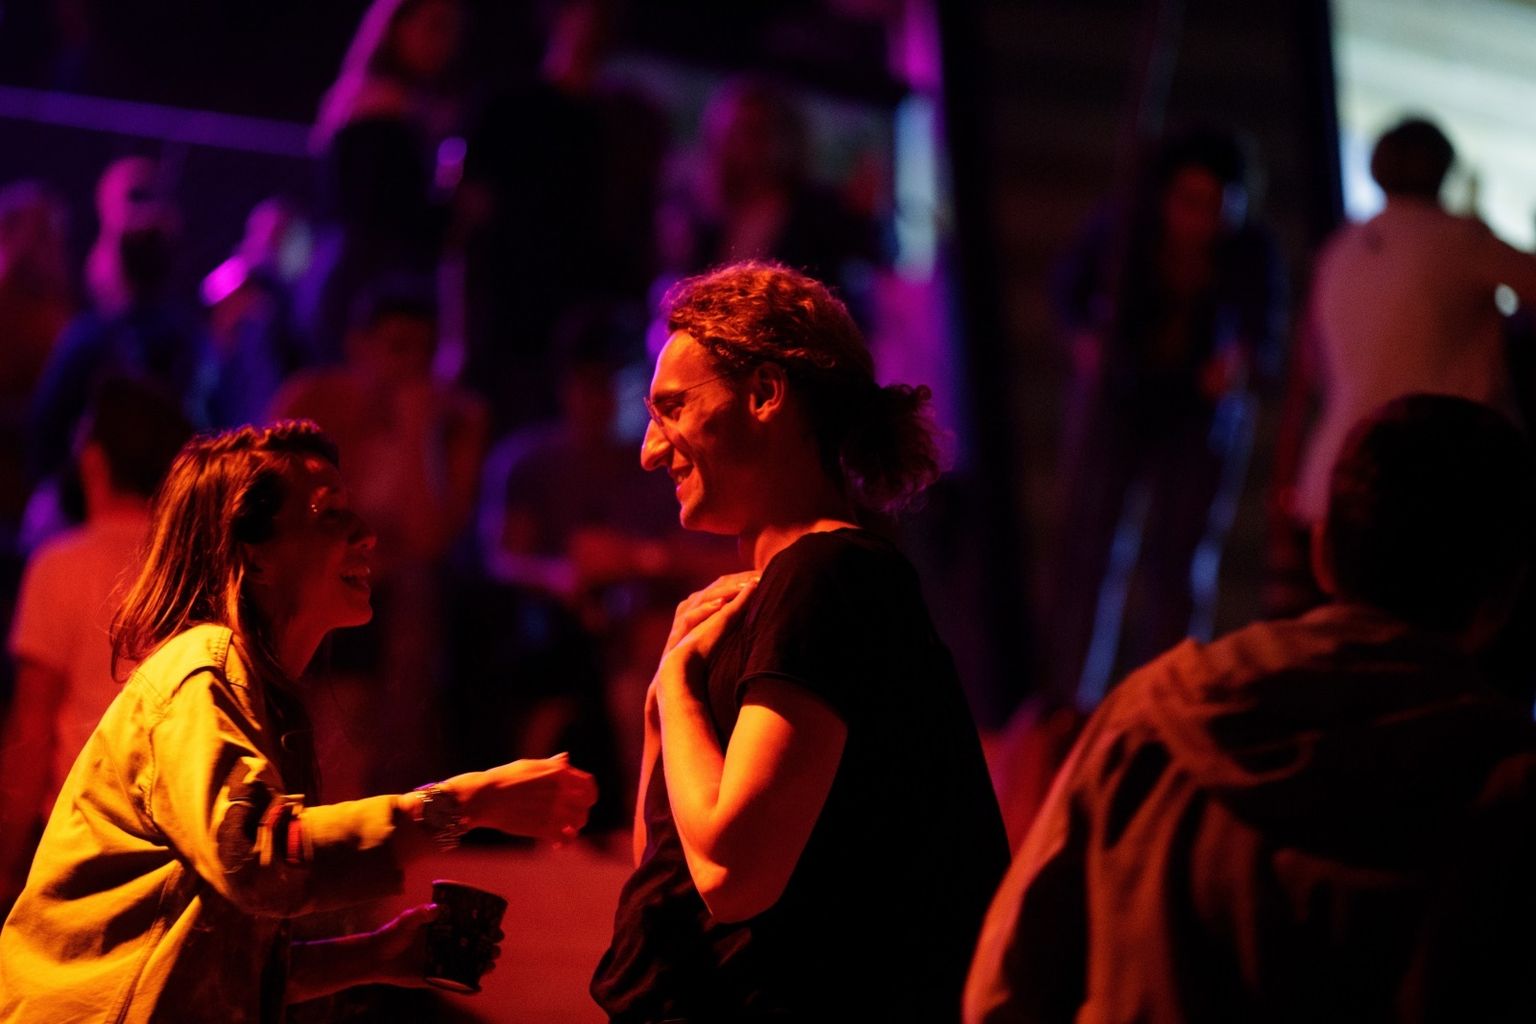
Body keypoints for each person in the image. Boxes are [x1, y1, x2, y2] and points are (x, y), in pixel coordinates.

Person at [965, 394, 1536, 1023]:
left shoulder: (1150, 723)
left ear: (1322, 551)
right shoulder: (1504, 787)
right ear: (1504, 595)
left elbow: (1005, 989)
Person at [0, 420, 597, 1022]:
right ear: (254, 553)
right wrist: (463, 804)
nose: (367, 534)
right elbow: (258, 861)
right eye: (330, 514)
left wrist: (377, 954)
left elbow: (217, 966)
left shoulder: (254, 694)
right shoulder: (201, 669)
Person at [590, 261, 1009, 1022]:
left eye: (673, 408)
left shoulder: (828, 576)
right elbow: (667, 864)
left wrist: (676, 687)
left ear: (763, 394)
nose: (650, 450)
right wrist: (667, 698)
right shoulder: (772, 596)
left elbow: (733, 872)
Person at [1048, 127, 1285, 705]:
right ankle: (1069, 701)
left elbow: (1266, 334)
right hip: (1120, 401)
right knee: (1091, 550)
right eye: (1189, 202)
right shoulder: (1121, 229)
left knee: (1179, 561)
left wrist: (1239, 362)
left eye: (1216, 205)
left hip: (1199, 418)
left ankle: (1163, 701)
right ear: (1164, 196)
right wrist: (1085, 340)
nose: (1200, 220)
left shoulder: (1251, 250)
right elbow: (1069, 290)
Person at [1275, 117, 1536, 614]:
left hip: (1334, 485)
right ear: (1444, 169)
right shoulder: (1461, 240)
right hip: (1432, 491)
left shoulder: (1339, 250)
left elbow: (1310, 373)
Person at [0, 377, 192, 917]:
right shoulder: (193, 567)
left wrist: (6, 859)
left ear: (93, 459)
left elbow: (33, 727)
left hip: (76, 837)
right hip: (175, 838)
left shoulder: (60, 566)